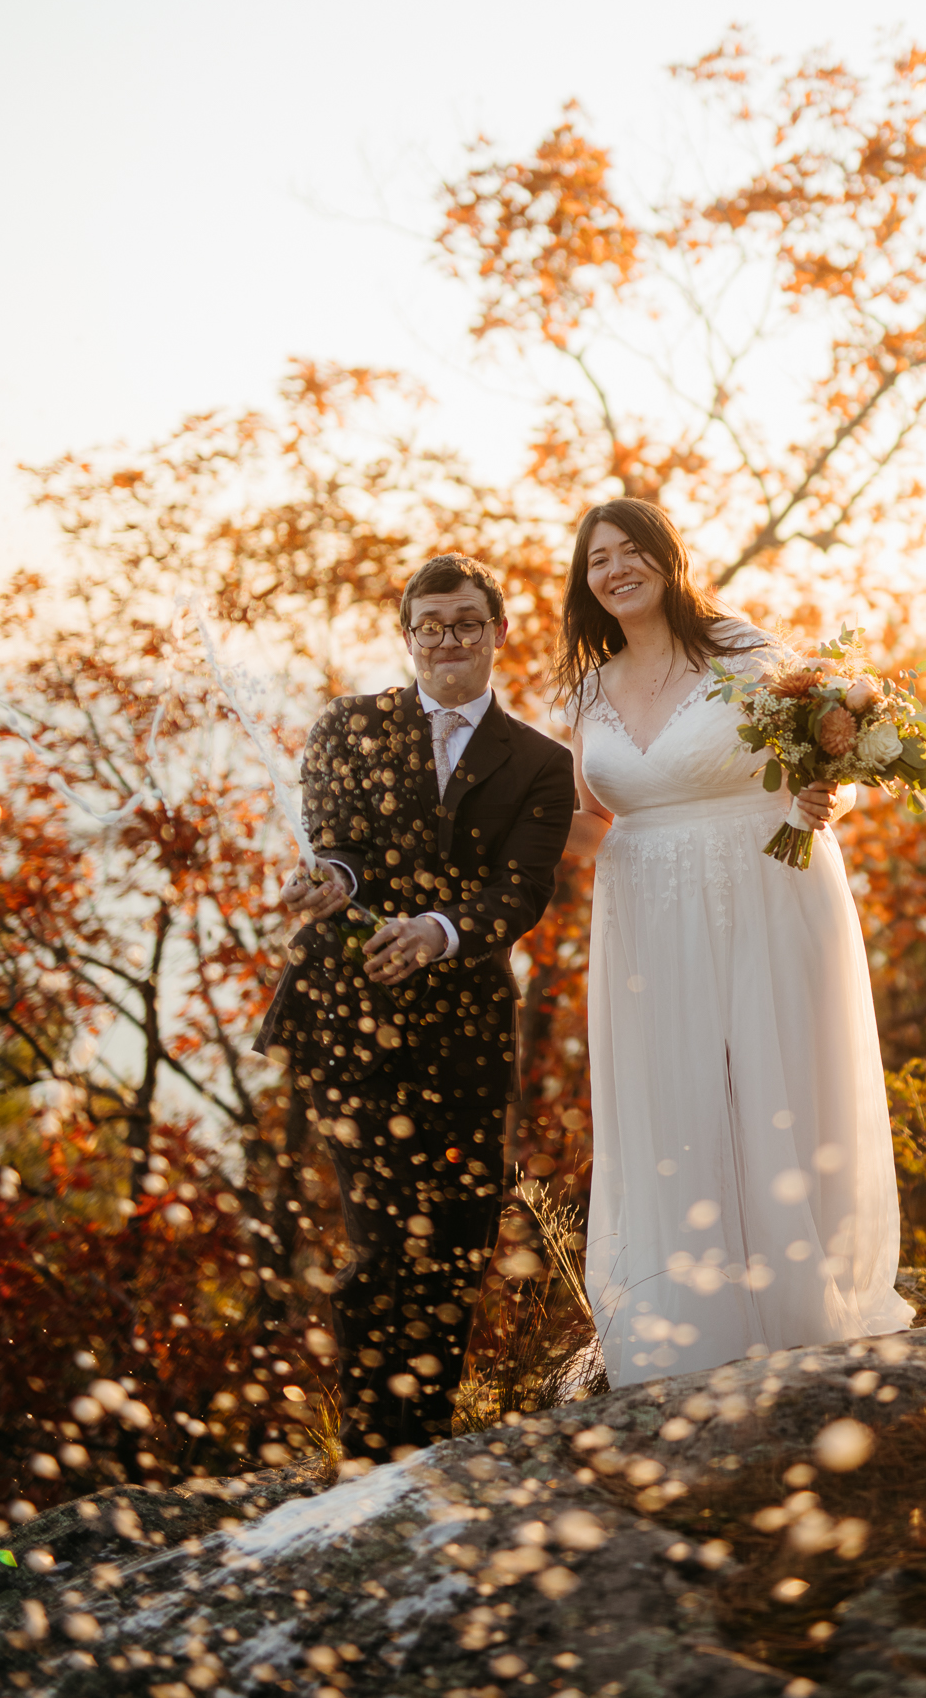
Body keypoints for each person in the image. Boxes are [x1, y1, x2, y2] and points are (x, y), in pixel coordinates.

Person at [562, 500, 914, 1386]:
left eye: (633, 550)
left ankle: (804, 1300)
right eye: (598, 558)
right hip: (642, 906)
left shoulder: (742, 653)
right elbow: (582, 820)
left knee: (780, 1078)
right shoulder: (587, 690)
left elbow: (833, 745)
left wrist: (824, 798)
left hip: (765, 882)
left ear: (669, 560)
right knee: (674, 1093)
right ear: (584, 582)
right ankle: (694, 1316)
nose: (616, 569)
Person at [258, 554, 576, 1458]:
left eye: (466, 623)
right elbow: (343, 848)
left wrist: (439, 931)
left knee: (458, 1247)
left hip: (465, 1033)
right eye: (429, 626)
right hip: (349, 1025)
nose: (447, 641)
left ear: (498, 633)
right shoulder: (347, 726)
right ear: (407, 637)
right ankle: (369, 1455)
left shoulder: (543, 765)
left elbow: (519, 893)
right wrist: (331, 881)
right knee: (380, 1246)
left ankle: (427, 1448)